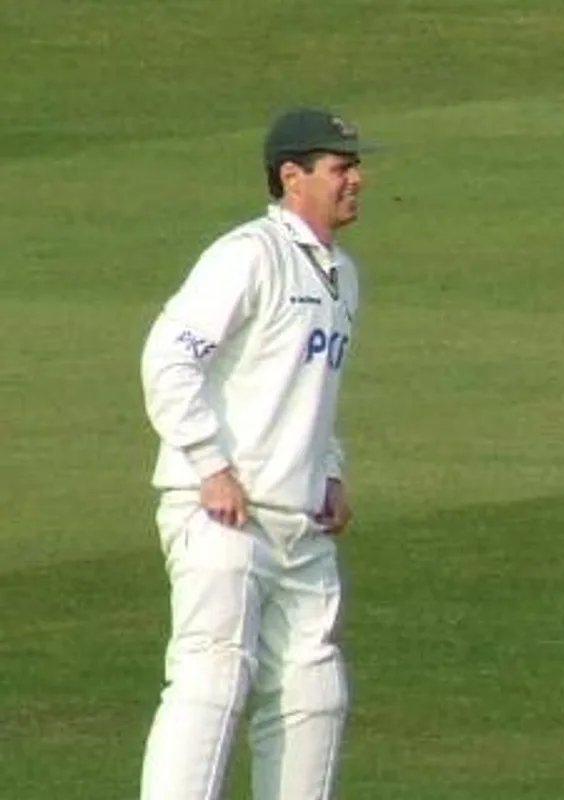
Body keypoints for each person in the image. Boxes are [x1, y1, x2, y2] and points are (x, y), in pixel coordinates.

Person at [139, 106, 370, 800]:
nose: (356, 179)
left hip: (299, 522)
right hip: (224, 515)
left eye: (356, 166)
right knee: (211, 681)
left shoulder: (342, 274)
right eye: (340, 167)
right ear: (291, 175)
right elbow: (168, 359)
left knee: (314, 695)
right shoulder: (248, 254)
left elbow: (308, 392)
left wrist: (329, 472)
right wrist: (210, 464)